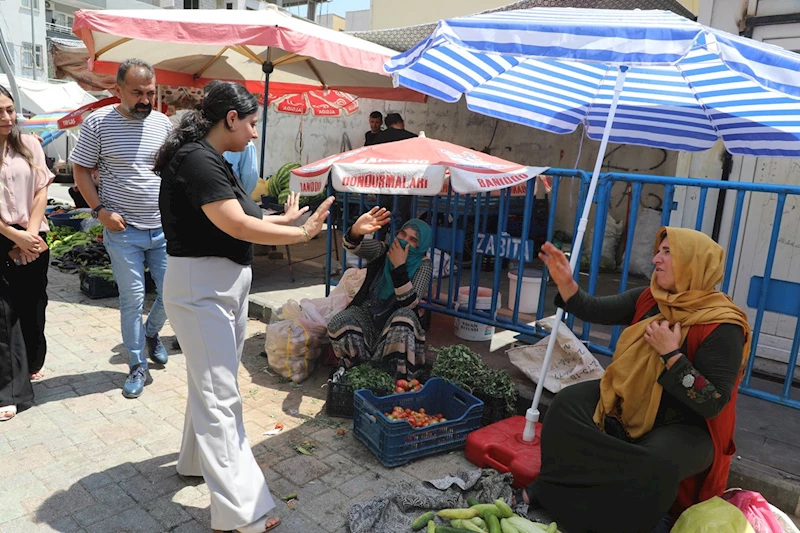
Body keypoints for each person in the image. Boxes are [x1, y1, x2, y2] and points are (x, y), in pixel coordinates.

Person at [155, 80, 334, 533]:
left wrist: (282, 220)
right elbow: (233, 222)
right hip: (202, 287)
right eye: (252, 123)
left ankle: (196, 463)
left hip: (220, 286)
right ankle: (241, 510)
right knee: (220, 396)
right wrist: (303, 234)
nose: (255, 133)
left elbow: (243, 215)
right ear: (230, 118)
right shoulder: (196, 159)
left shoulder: (213, 160)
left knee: (212, 386)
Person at [518, 228, 750, 533]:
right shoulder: (651, 297)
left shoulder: (722, 325)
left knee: (654, 463)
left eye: (668, 252)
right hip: (636, 400)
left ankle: (623, 522)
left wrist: (672, 355)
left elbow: (712, 404)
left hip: (686, 423)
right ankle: (547, 490)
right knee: (566, 407)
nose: (656, 259)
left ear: (694, 263)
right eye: (659, 250)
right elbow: (595, 308)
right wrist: (568, 286)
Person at [70, 58, 174, 399]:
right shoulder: (98, 123)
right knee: (132, 299)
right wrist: (100, 211)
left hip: (161, 229)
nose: (146, 100)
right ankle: (136, 363)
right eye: (137, 93)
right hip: (122, 230)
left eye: (150, 92)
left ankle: (152, 333)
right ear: (118, 90)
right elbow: (82, 170)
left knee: (172, 293)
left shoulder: (163, 124)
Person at [328, 207, 432, 376]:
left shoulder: (423, 264)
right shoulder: (383, 250)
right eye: (402, 234)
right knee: (340, 321)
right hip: (368, 313)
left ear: (420, 247)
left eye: (412, 240)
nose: (404, 241)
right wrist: (356, 231)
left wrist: (399, 267)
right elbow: (352, 245)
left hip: (395, 317)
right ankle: (357, 369)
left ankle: (395, 376)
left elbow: (409, 302)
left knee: (404, 319)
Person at [0, 85, 52, 421]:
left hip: (34, 236)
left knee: (33, 306)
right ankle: (10, 391)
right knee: (4, 316)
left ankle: (33, 361)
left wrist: (29, 235)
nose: (7, 117)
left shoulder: (29, 145)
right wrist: (12, 235)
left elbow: (42, 188)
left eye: (9, 109)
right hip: (3, 235)